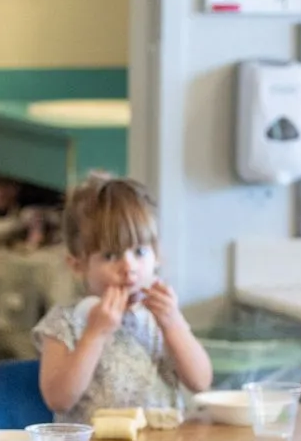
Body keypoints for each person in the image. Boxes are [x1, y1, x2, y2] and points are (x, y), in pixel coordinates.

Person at [34, 173, 213, 422]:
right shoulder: (65, 322)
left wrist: (174, 324)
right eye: (110, 256)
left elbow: (201, 382)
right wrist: (94, 335)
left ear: (157, 256)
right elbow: (58, 399)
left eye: (139, 252)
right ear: (78, 266)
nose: (129, 267)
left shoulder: (159, 317)